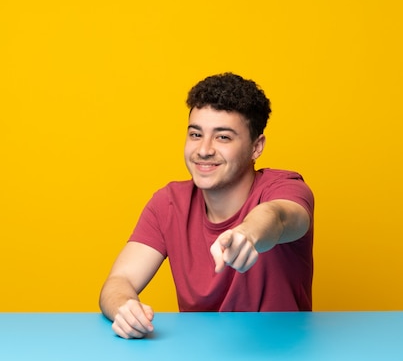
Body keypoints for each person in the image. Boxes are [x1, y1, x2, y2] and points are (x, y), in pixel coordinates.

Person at [99, 72, 314, 339]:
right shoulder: (168, 203)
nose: (204, 149)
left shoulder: (285, 187)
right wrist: (124, 309)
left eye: (223, 137)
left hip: (281, 358)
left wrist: (248, 233)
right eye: (196, 134)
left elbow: (278, 216)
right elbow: (119, 282)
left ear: (256, 147)